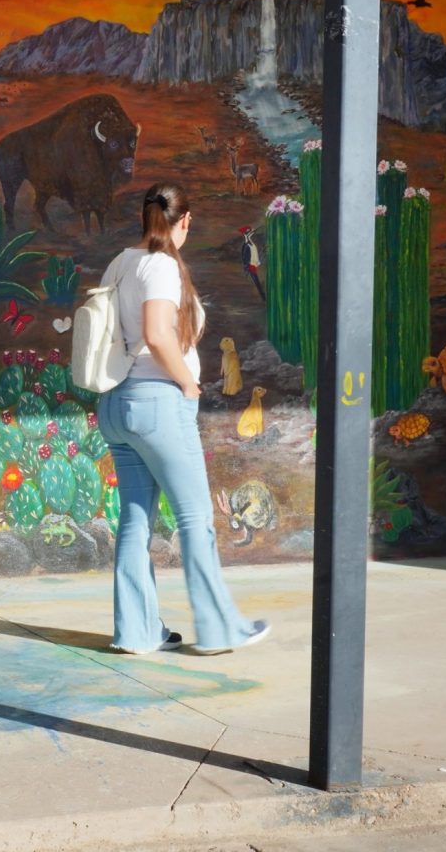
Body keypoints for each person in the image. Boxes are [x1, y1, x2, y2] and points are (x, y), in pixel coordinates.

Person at [95, 183, 270, 655]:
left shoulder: (120, 262)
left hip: (116, 404)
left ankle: (137, 632)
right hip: (157, 404)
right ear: (185, 220)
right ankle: (219, 630)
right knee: (195, 519)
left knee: (135, 520)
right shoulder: (162, 265)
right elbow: (156, 333)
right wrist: (188, 383)